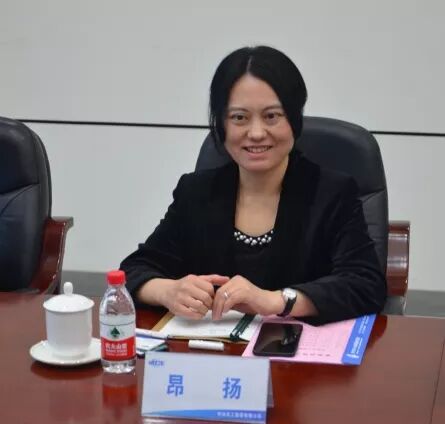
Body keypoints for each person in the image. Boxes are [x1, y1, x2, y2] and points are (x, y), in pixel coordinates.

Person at [120, 46, 387, 325]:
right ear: (221, 125)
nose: (257, 133)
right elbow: (133, 271)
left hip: (298, 350)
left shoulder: (333, 193)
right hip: (213, 349)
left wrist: (278, 301)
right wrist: (168, 291)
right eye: (239, 117)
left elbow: (366, 285)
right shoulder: (196, 192)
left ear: (294, 120)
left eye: (272, 116)